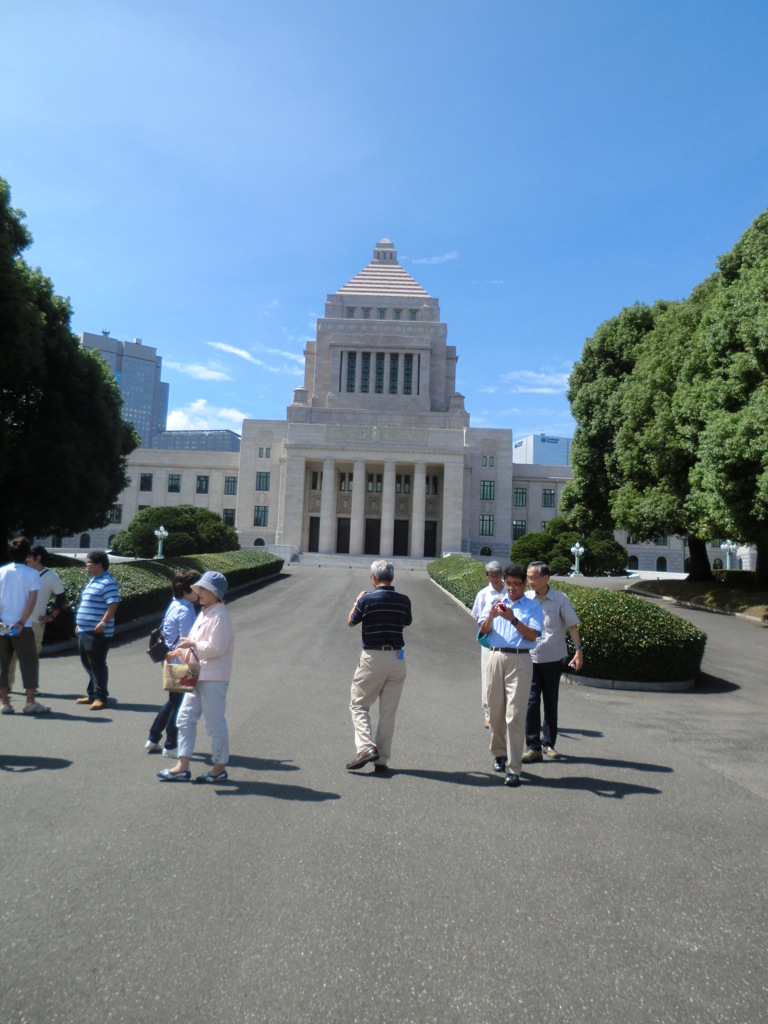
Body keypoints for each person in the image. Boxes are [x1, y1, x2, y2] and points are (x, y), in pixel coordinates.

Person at [157, 571, 234, 783]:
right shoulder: (205, 612)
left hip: (213, 677)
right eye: (198, 589)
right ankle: (182, 766)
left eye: (202, 590)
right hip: (196, 675)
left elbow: (216, 648)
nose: (197, 593)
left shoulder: (220, 616)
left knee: (214, 723)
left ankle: (219, 768)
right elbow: (192, 642)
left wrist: (191, 645)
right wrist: (180, 653)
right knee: (184, 718)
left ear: (214, 593)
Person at [478, 563, 542, 787]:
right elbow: (483, 630)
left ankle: (514, 768)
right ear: (504, 583)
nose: (512, 588)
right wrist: (493, 617)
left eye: (517, 584)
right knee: (495, 712)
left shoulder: (532, 607)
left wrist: (513, 619)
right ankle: (499, 753)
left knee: (514, 715)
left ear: (525, 584)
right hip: (495, 656)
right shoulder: (495, 602)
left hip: (521, 659)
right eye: (509, 584)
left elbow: (533, 636)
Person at [345, 559, 412, 773]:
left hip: (373, 657)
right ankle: (382, 760)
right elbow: (403, 623)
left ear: (373, 578)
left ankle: (366, 747)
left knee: (359, 705)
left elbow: (351, 622)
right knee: (388, 712)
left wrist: (357, 601)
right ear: (391, 578)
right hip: (397, 658)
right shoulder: (404, 600)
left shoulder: (367, 600)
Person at [522, 560, 583, 762]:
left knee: (550, 702)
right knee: (531, 702)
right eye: (528, 577)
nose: (529, 581)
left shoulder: (560, 599)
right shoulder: (526, 599)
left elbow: (572, 626)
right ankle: (533, 746)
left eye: (533, 577)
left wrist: (578, 651)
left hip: (552, 659)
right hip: (529, 658)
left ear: (545, 578)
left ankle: (549, 744)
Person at [144, 569, 200, 757]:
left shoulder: (177, 604)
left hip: (172, 659)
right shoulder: (184, 610)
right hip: (181, 661)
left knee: (173, 702)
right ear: (186, 589)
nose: (200, 591)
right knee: (179, 705)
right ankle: (170, 745)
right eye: (196, 588)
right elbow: (186, 640)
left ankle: (153, 738)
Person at [0, 537, 48, 715]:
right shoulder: (32, 574)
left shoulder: (1, 571)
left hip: (2, 625)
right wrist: (21, 622)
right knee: (29, 664)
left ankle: (5, 703)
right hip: (23, 626)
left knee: (2, 665)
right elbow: (32, 601)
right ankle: (30, 702)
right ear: (27, 555)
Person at [74, 550, 120, 711]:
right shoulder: (93, 581)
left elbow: (113, 603)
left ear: (99, 564)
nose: (86, 566)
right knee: (88, 663)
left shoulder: (108, 582)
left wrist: (103, 622)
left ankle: (101, 697)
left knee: (97, 664)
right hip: (85, 630)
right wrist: (79, 624)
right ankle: (93, 694)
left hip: (97, 632)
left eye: (89, 563)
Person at [470, 560, 505, 728]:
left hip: (508, 643)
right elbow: (478, 617)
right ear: (487, 576)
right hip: (489, 641)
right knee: (487, 678)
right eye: (491, 576)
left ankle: (505, 713)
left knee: (506, 680)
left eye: (497, 575)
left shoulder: (510, 592)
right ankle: (488, 714)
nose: (495, 579)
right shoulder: (483, 594)